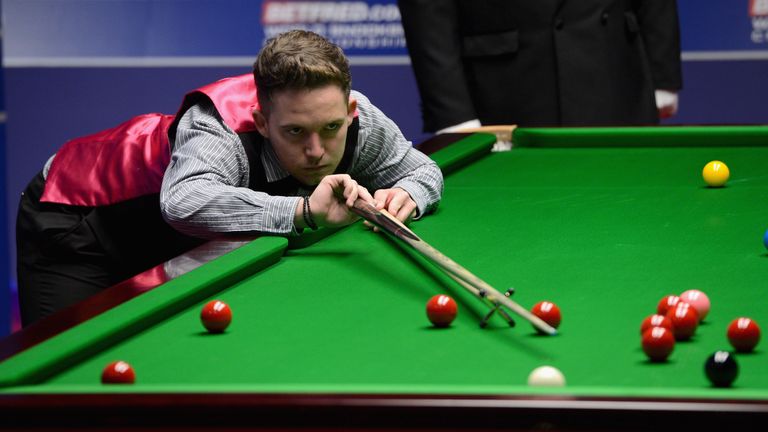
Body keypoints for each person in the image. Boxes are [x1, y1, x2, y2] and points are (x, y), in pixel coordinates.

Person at [17, 30, 444, 326]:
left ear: (349, 112)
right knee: (70, 381)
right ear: (260, 121)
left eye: (331, 128)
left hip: (174, 237)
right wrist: (303, 210)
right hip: (79, 218)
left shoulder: (356, 119)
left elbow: (421, 168)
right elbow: (183, 202)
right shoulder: (217, 127)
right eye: (295, 132)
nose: (317, 150)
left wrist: (407, 192)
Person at [397, 0, 684, 133]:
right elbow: (427, 11)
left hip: (616, 76)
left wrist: (662, 74)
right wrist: (453, 115)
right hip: (504, 94)